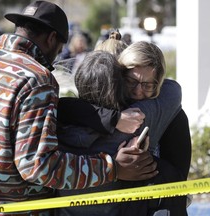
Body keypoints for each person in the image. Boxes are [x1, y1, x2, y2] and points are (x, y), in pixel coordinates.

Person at [0, 1, 158, 215]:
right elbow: (38, 166)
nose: (55, 60)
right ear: (52, 39)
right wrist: (112, 167)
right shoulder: (36, 78)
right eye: (58, 49)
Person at [56, 35, 190, 215]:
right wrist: (114, 119)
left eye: (147, 85)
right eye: (131, 81)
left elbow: (60, 105)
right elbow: (173, 90)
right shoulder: (138, 119)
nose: (137, 91)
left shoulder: (57, 129)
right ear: (118, 81)